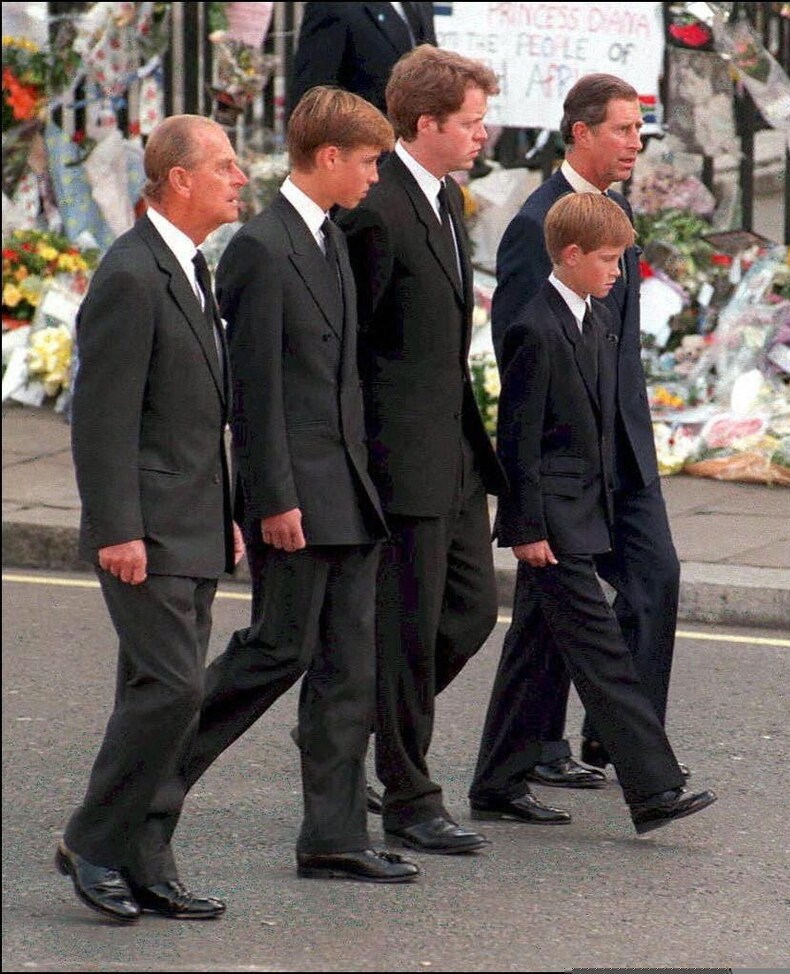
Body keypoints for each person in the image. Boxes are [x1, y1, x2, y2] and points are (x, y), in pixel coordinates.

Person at [138, 86, 418, 886]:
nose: (374, 177)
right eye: (368, 162)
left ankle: (333, 835)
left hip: (348, 493)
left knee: (347, 669)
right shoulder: (261, 248)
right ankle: (137, 801)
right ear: (329, 157)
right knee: (273, 653)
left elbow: (341, 382)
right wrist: (272, 500)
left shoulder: (331, 238)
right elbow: (253, 393)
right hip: (298, 497)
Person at [336, 45, 568, 857]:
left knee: (468, 615)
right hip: (400, 459)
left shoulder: (445, 195)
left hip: (455, 452)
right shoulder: (374, 204)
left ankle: (346, 730)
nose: (482, 134)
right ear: (425, 123)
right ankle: (409, 795)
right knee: (406, 630)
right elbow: (348, 348)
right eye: (470, 122)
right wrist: (359, 460)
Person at [470, 74, 686, 808]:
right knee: (560, 611)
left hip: (625, 447)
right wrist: (536, 494)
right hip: (570, 462)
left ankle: (579, 743)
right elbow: (525, 353)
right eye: (623, 129)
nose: (635, 143)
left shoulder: (612, 212)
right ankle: (623, 755)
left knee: (648, 582)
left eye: (638, 130)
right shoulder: (540, 225)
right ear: (582, 131)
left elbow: (612, 344)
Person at [56, 114, 248, 922]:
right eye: (227, 166)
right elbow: (101, 420)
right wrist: (116, 530)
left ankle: (145, 855)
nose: (241, 178)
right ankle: (92, 843)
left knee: (163, 692)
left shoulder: (193, 268)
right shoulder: (131, 275)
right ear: (180, 179)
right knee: (170, 689)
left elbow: (200, 413)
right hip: (147, 526)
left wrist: (230, 511)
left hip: (195, 518)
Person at [288, 2, 437, 118]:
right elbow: (313, 96)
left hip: (419, 147)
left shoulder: (421, 6)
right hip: (363, 147)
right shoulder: (332, 7)